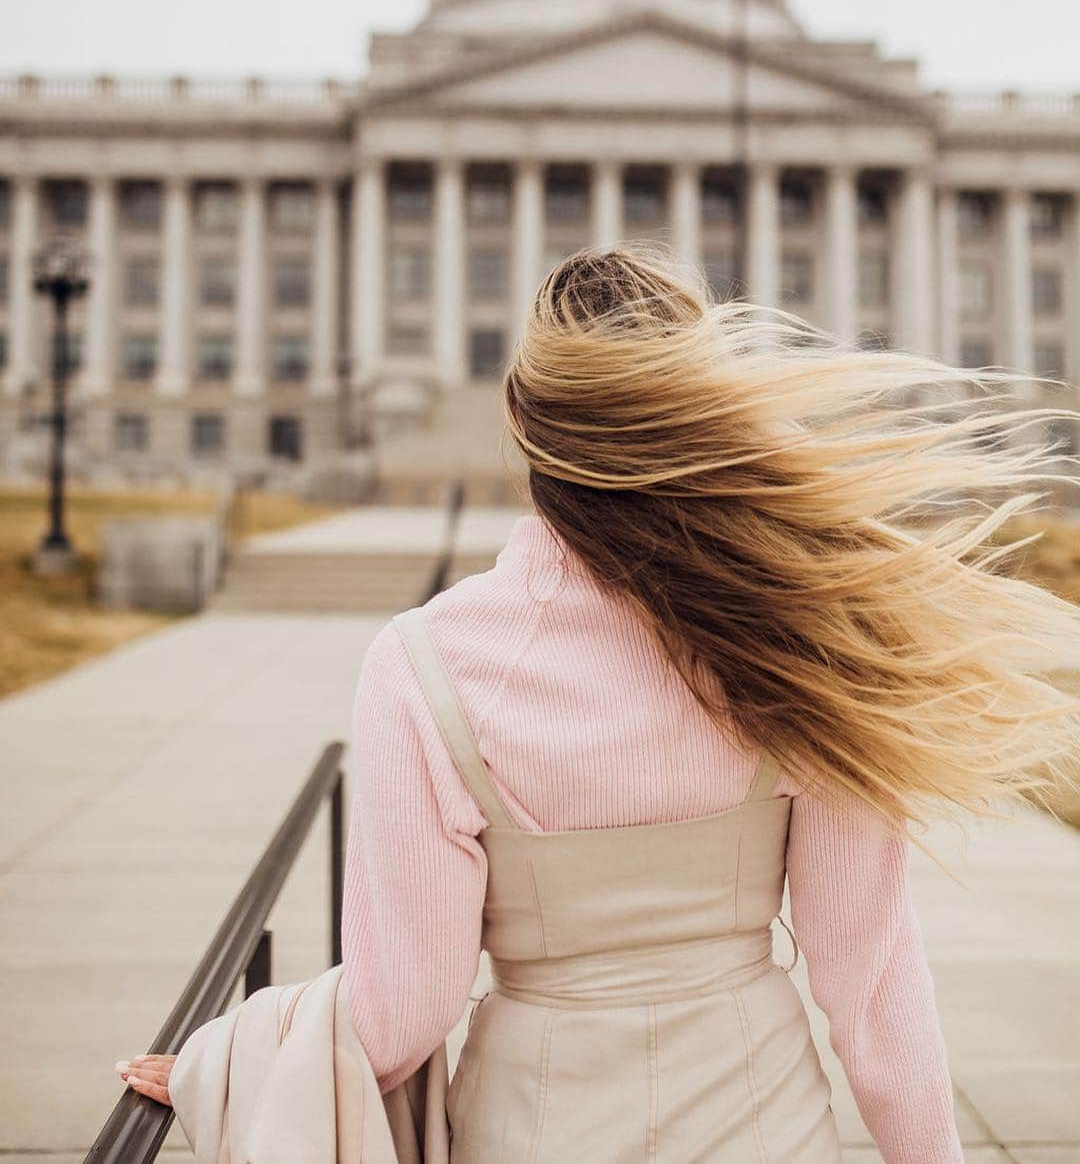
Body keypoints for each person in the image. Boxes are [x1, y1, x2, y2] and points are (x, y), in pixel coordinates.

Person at [121, 247, 1080, 1162]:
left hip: (532, 1126)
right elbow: (871, 988)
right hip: (763, 1124)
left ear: (525, 425)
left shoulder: (425, 663)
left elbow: (401, 1013)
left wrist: (231, 1065)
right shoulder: (799, 638)